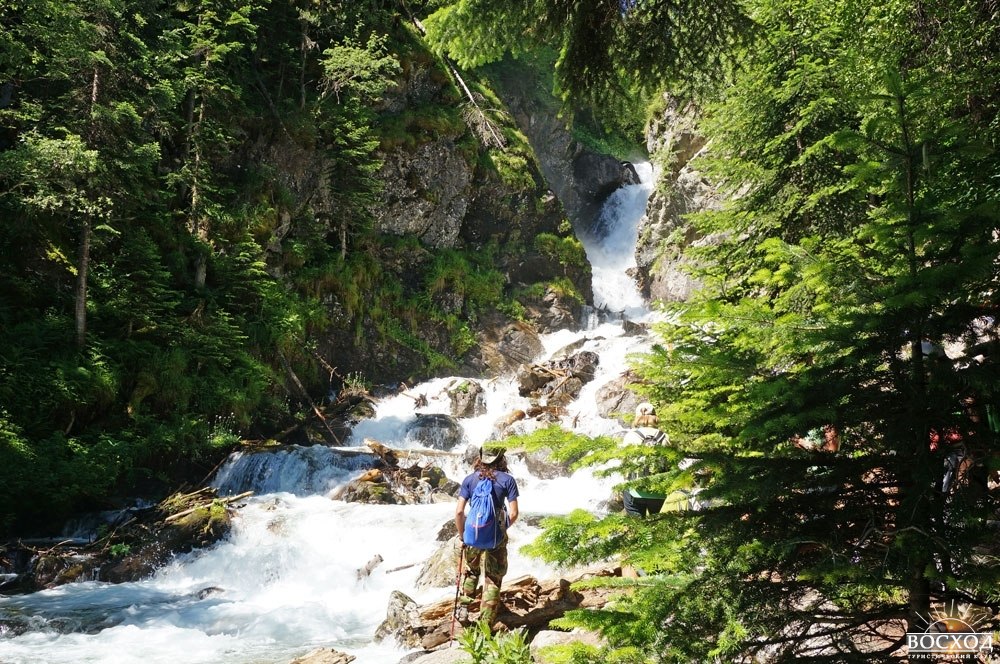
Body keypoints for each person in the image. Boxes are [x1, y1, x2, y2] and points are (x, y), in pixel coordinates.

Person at [454, 445, 519, 630]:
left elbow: (459, 512)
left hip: (472, 535)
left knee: (471, 571)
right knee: (493, 578)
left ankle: (464, 608)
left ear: (480, 459)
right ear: (501, 459)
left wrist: (463, 536)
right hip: (495, 538)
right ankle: (485, 625)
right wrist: (501, 530)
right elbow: (513, 513)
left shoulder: (469, 480)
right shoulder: (508, 480)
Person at [622, 403, 669, 516]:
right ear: (655, 416)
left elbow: (624, 464)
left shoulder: (630, 436)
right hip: (659, 491)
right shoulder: (665, 437)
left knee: (639, 527)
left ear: (637, 417)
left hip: (635, 490)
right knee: (656, 522)